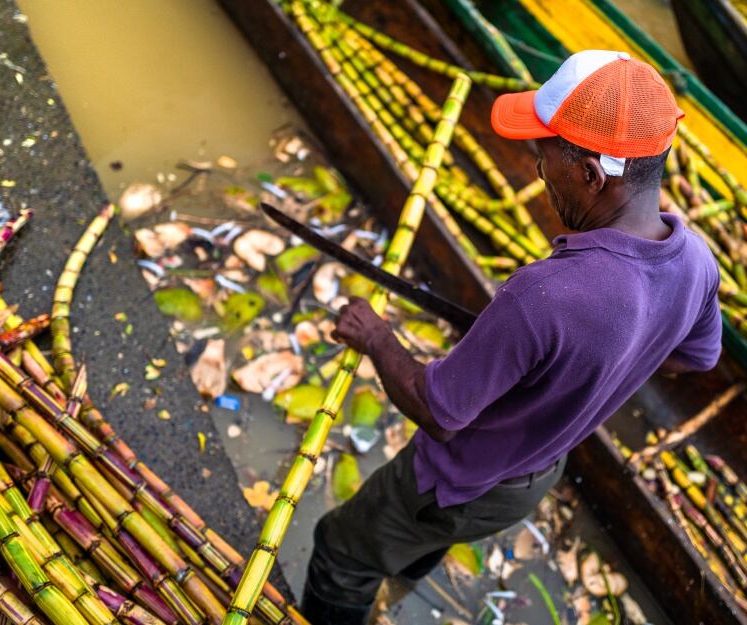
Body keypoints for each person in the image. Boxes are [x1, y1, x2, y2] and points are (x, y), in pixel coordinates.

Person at [301, 50, 722, 624]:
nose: (539, 173)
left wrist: (375, 337)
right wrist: (611, 359)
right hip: (533, 477)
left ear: (592, 176)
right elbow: (693, 358)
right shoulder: (696, 260)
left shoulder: (544, 294)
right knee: (417, 541)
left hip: (457, 478)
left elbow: (440, 411)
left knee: (339, 552)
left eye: (544, 158)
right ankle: (400, 575)